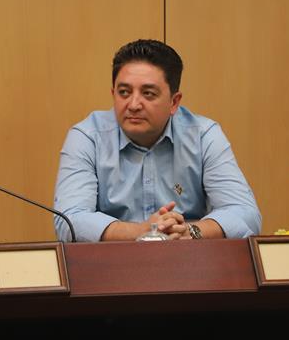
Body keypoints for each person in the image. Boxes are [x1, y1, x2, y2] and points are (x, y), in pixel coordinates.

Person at [54, 39, 261, 242]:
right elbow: (69, 220)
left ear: (174, 102)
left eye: (148, 94)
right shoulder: (88, 137)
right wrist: (143, 232)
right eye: (124, 92)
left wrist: (189, 231)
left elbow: (246, 214)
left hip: (187, 257)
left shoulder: (203, 135)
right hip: (110, 261)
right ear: (113, 93)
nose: (133, 105)